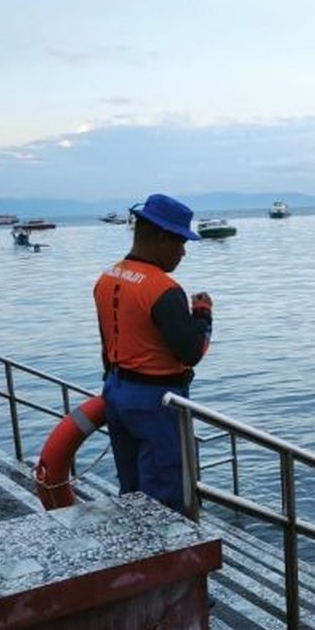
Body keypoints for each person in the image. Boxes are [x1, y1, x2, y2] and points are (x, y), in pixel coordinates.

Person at [92, 193, 212, 513]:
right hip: (156, 402)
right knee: (165, 493)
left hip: (116, 391)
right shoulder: (164, 289)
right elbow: (191, 352)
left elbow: (107, 342)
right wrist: (202, 314)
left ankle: (134, 551)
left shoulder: (107, 277)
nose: (183, 252)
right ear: (160, 238)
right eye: (180, 243)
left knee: (130, 487)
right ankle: (165, 557)